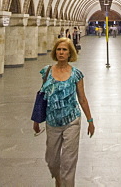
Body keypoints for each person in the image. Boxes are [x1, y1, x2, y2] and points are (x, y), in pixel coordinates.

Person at [32, 38, 94, 187]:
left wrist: (90, 120)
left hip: (72, 121)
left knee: (68, 162)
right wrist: (36, 120)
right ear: (55, 52)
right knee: (52, 161)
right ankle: (59, 179)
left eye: (64, 50)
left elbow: (82, 98)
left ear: (69, 53)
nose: (61, 52)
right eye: (59, 49)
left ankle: (67, 183)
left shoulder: (76, 74)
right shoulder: (47, 71)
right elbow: (42, 96)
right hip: (52, 122)